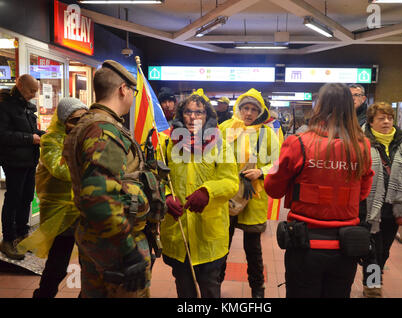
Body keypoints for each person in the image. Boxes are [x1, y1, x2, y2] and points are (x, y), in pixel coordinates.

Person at [63, 60, 163, 298]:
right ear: (123, 90)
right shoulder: (104, 131)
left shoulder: (86, 124)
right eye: (133, 91)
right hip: (115, 242)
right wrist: (128, 251)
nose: (133, 97)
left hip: (97, 234)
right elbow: (98, 196)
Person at [264, 83, 374, 298]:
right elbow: (363, 192)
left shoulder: (298, 142)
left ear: (319, 106)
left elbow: (272, 188)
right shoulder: (363, 146)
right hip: (346, 246)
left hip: (305, 245)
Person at [159, 89, 238, 298]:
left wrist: (208, 192)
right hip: (179, 233)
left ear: (208, 116)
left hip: (209, 235)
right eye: (188, 112)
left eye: (199, 112)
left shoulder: (220, 144)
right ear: (181, 115)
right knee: (184, 289)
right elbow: (158, 178)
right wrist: (166, 196)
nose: (193, 117)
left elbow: (231, 182)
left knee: (210, 288)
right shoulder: (168, 144)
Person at [17, 97, 88, 298]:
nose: (79, 125)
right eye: (75, 120)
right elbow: (60, 170)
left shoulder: (85, 138)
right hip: (60, 213)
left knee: (89, 263)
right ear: (64, 120)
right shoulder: (50, 140)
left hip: (83, 208)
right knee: (58, 264)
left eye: (84, 119)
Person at [219, 88, 280, 298]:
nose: (248, 113)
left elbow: (277, 164)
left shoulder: (267, 134)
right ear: (238, 108)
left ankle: (257, 289)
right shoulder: (225, 128)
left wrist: (260, 172)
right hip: (226, 196)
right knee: (221, 246)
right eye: (245, 107)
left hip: (253, 197)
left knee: (253, 249)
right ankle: (215, 285)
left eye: (254, 109)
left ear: (260, 112)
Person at [359, 102, 402, 298]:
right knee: (372, 249)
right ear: (371, 121)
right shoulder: (362, 140)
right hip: (369, 204)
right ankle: (372, 286)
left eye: (389, 118)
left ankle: (376, 276)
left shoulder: (401, 142)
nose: (386, 122)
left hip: (395, 204)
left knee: (384, 249)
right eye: (381, 118)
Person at [0, 74, 45, 260]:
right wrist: (30, 139)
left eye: (36, 91)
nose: (34, 95)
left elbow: (30, 131)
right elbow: (3, 135)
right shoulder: (5, 107)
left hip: (29, 161)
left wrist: (45, 135)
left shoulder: (27, 107)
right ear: (19, 86)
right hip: (13, 162)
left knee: (26, 198)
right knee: (13, 199)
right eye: (31, 90)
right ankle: (8, 240)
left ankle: (22, 235)